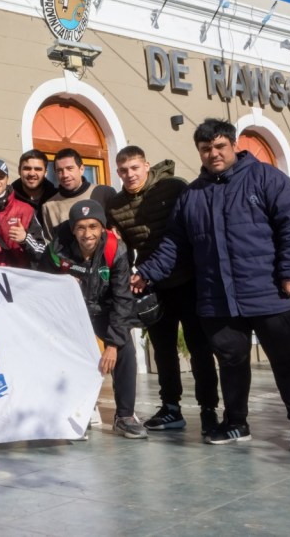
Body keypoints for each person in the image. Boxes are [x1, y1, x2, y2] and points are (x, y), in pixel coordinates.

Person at [132, 119, 290, 451]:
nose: (213, 154)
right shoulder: (192, 196)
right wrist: (147, 272)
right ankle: (235, 423)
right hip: (218, 299)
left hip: (269, 292)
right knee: (231, 362)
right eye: (206, 149)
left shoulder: (266, 178)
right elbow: (175, 245)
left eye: (219, 147)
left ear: (233, 145)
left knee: (285, 362)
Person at [106, 146, 220, 435]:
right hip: (153, 287)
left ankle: (209, 410)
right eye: (123, 170)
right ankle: (171, 408)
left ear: (146, 166)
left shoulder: (174, 188)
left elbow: (192, 232)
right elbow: (126, 250)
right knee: (163, 352)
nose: (129, 175)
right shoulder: (117, 206)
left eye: (134, 168)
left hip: (189, 281)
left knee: (199, 349)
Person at [42, 199, 147, 439]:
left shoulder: (115, 249)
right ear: (72, 229)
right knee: (60, 352)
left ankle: (125, 416)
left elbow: (123, 299)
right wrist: (64, 285)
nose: (87, 233)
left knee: (125, 350)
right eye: (80, 227)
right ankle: (74, 413)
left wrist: (112, 345)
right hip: (70, 313)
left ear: (102, 228)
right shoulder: (57, 250)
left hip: (105, 309)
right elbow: (43, 287)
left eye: (93, 226)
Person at [0, 158, 45, 268]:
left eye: (0, 177)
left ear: (7, 179)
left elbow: (42, 251)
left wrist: (25, 239)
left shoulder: (26, 210)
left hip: (17, 279)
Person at [41, 148, 116, 237]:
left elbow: (118, 234)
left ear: (81, 169)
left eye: (69, 168)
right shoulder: (49, 206)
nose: (65, 175)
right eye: (59, 171)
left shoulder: (104, 193)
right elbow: (51, 245)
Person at [11, 149, 57, 214]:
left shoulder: (56, 198)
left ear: (45, 173)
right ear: (19, 170)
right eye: (27, 168)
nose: (32, 174)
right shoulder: (8, 199)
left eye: (38, 169)